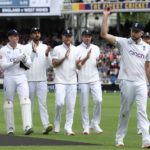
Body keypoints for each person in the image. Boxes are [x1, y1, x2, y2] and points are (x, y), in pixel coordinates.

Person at [101, 8, 150, 148]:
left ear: (142, 33)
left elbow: (148, 67)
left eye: (136, 32)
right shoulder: (123, 42)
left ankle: (146, 140)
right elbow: (104, 34)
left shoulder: (147, 48)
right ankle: (119, 138)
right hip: (126, 81)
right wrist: (105, 16)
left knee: (142, 111)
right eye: (132, 31)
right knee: (125, 111)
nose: (133, 33)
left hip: (141, 83)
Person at [0, 29, 33, 135]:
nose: (16, 38)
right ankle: (10, 128)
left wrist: (23, 61)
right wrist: (15, 61)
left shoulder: (22, 48)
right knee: (9, 103)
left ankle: (27, 127)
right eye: (14, 36)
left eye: (17, 36)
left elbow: (29, 64)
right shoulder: (3, 50)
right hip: (9, 77)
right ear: (9, 38)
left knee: (25, 100)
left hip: (21, 77)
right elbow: (3, 66)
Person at [25, 27, 53, 134]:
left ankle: (46, 125)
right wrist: (32, 52)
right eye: (34, 33)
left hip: (42, 80)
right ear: (31, 35)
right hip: (29, 80)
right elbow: (26, 64)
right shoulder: (25, 47)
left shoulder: (45, 47)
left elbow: (49, 65)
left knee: (43, 103)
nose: (36, 34)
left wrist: (47, 55)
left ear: (40, 34)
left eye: (38, 33)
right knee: (29, 104)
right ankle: (28, 126)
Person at [76, 29, 103, 135]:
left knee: (98, 100)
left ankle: (95, 123)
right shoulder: (77, 49)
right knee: (84, 104)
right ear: (82, 37)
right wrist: (86, 58)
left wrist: (100, 62)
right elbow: (78, 65)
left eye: (89, 36)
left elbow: (97, 64)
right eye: (85, 36)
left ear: (91, 37)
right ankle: (86, 126)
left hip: (94, 78)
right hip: (82, 79)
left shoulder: (96, 48)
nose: (87, 38)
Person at [52, 29, 78, 135]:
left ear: (71, 37)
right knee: (59, 103)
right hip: (60, 81)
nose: (68, 38)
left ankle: (68, 128)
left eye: (69, 36)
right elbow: (54, 63)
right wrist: (64, 58)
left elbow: (79, 64)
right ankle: (57, 124)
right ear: (62, 37)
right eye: (66, 36)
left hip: (72, 81)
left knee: (71, 106)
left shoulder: (76, 50)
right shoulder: (57, 49)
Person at [137, 31, 150, 135]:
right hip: (142, 81)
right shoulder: (140, 49)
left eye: (149, 38)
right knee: (142, 106)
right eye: (146, 38)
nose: (148, 40)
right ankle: (141, 128)